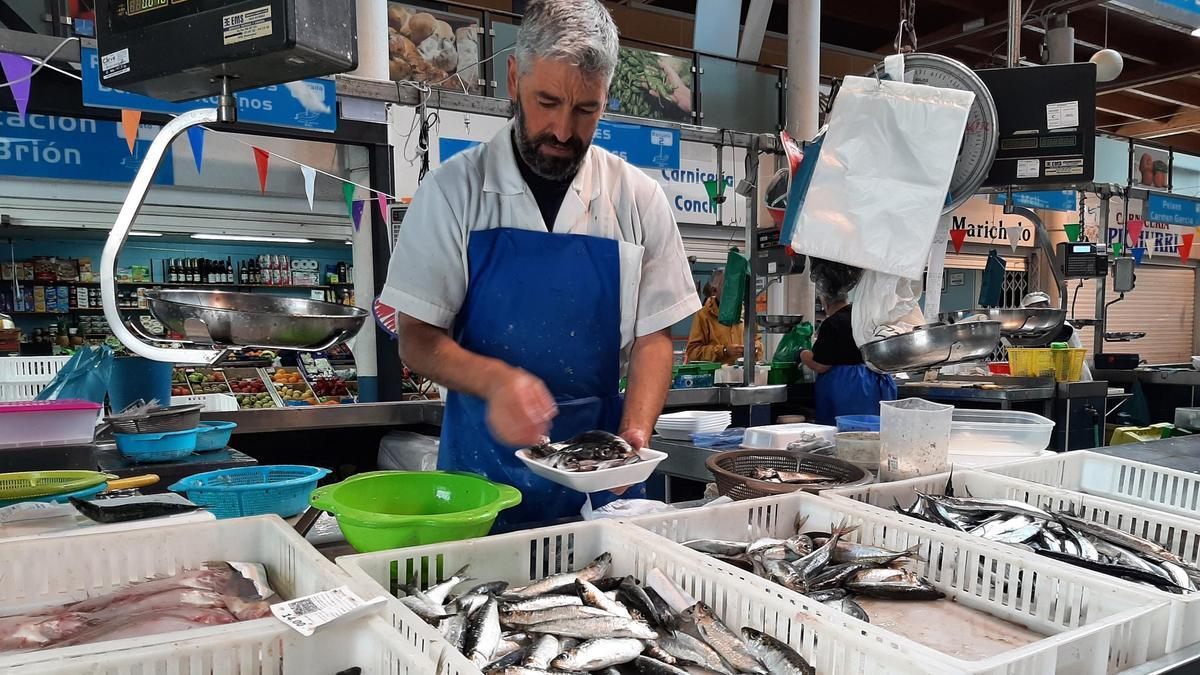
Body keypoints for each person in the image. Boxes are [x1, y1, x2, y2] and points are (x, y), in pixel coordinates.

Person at [381, 0, 700, 528]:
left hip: (601, 481)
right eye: (547, 101)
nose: (561, 130)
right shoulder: (454, 192)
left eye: (585, 111)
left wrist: (637, 431)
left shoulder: (638, 199)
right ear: (513, 77)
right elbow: (416, 336)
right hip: (479, 483)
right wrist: (495, 381)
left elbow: (654, 338)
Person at [799, 259, 897, 425]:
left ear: (824, 300)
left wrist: (803, 355)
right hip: (874, 382)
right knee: (871, 431)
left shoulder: (832, 323)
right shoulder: (865, 316)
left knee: (846, 431)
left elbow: (822, 365)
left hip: (848, 387)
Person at [685, 269, 763, 365]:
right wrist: (724, 350)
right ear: (714, 290)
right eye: (728, 288)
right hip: (716, 377)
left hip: (742, 374)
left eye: (737, 287)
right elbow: (692, 352)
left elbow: (759, 346)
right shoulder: (703, 315)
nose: (735, 292)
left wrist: (754, 348)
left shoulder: (747, 313)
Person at [1020, 292, 1092, 381]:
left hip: (1072, 374)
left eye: (1041, 308)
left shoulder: (1063, 327)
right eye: (1034, 310)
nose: (1039, 313)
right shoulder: (1032, 328)